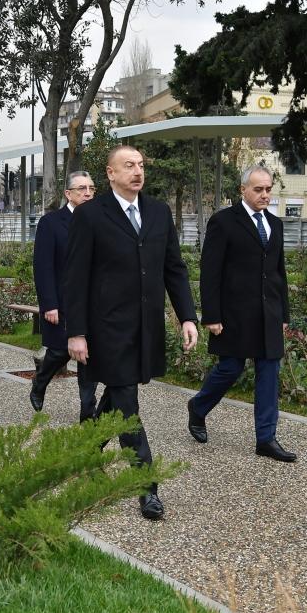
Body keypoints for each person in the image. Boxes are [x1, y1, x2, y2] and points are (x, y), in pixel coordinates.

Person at [65, 145, 198, 521]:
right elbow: (74, 279)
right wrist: (76, 333)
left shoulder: (158, 212)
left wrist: (187, 316)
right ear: (110, 173)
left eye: (140, 165)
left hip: (145, 326)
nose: (137, 171)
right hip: (106, 328)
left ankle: (86, 453)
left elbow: (174, 268)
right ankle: (147, 486)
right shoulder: (91, 216)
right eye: (129, 166)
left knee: (119, 394)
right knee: (128, 405)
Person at [186, 165, 296, 462]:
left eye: (268, 189)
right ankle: (198, 407)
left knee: (269, 373)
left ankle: (266, 439)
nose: (265, 195)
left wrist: (283, 313)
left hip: (269, 313)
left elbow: (278, 273)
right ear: (242, 190)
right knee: (230, 369)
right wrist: (211, 315)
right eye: (258, 189)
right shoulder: (224, 222)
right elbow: (210, 272)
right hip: (233, 314)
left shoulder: (275, 223)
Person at [29, 171, 98, 420]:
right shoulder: (51, 223)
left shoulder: (102, 221)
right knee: (59, 352)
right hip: (62, 302)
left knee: (88, 356)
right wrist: (49, 304)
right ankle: (40, 382)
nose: (88, 193)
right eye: (81, 189)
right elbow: (43, 267)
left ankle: (87, 413)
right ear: (68, 194)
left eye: (91, 188)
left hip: (93, 305)